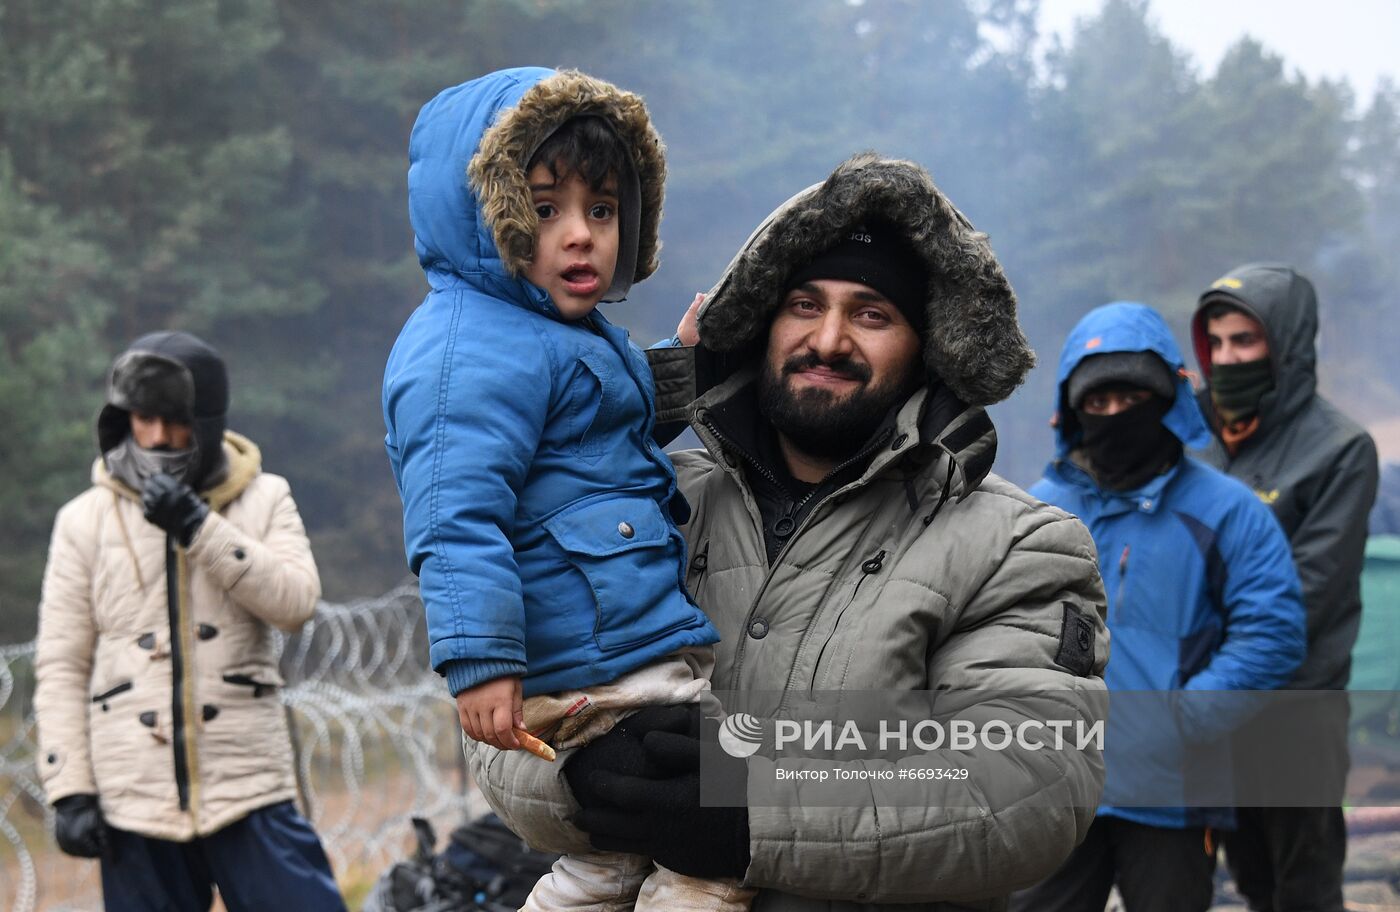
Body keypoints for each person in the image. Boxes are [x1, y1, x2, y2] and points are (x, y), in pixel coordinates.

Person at [464, 151, 1112, 910]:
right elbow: (508, 725)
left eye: (872, 315)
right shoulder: (641, 505)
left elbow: (1028, 787)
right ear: (761, 324)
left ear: (929, 350)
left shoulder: (1016, 546)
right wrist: (582, 776)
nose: (829, 339)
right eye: (804, 304)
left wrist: (752, 812)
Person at [381, 67, 747, 910]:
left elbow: (598, 444)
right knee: (736, 815)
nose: (581, 236)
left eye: (604, 209)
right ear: (485, 215)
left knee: (614, 861)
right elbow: (454, 517)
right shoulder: (466, 350)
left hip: (619, 643)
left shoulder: (554, 333)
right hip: (592, 658)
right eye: (545, 210)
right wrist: (480, 661)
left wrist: (683, 366)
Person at [33, 331, 344, 911]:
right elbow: (62, 663)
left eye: (171, 420)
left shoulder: (266, 497)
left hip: (250, 786)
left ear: (204, 421)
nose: (153, 437)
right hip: (133, 799)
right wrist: (69, 788)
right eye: (140, 417)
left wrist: (201, 529)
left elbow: (297, 603)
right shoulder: (82, 520)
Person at [1010, 302, 1306, 912]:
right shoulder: (1038, 511)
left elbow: (1272, 632)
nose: (1116, 415)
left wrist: (1183, 720)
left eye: (1133, 398)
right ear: (1073, 410)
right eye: (1099, 402)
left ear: (1169, 399)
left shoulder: (1228, 510)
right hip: (1054, 785)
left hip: (1174, 792)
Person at [1191, 263, 1380, 912]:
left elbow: (1309, 588)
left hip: (1297, 706)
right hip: (1212, 705)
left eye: (1245, 341)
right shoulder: (1199, 437)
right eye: (1215, 343)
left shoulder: (1340, 449)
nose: (1226, 358)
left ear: (1289, 343)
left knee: (1305, 887)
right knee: (1250, 881)